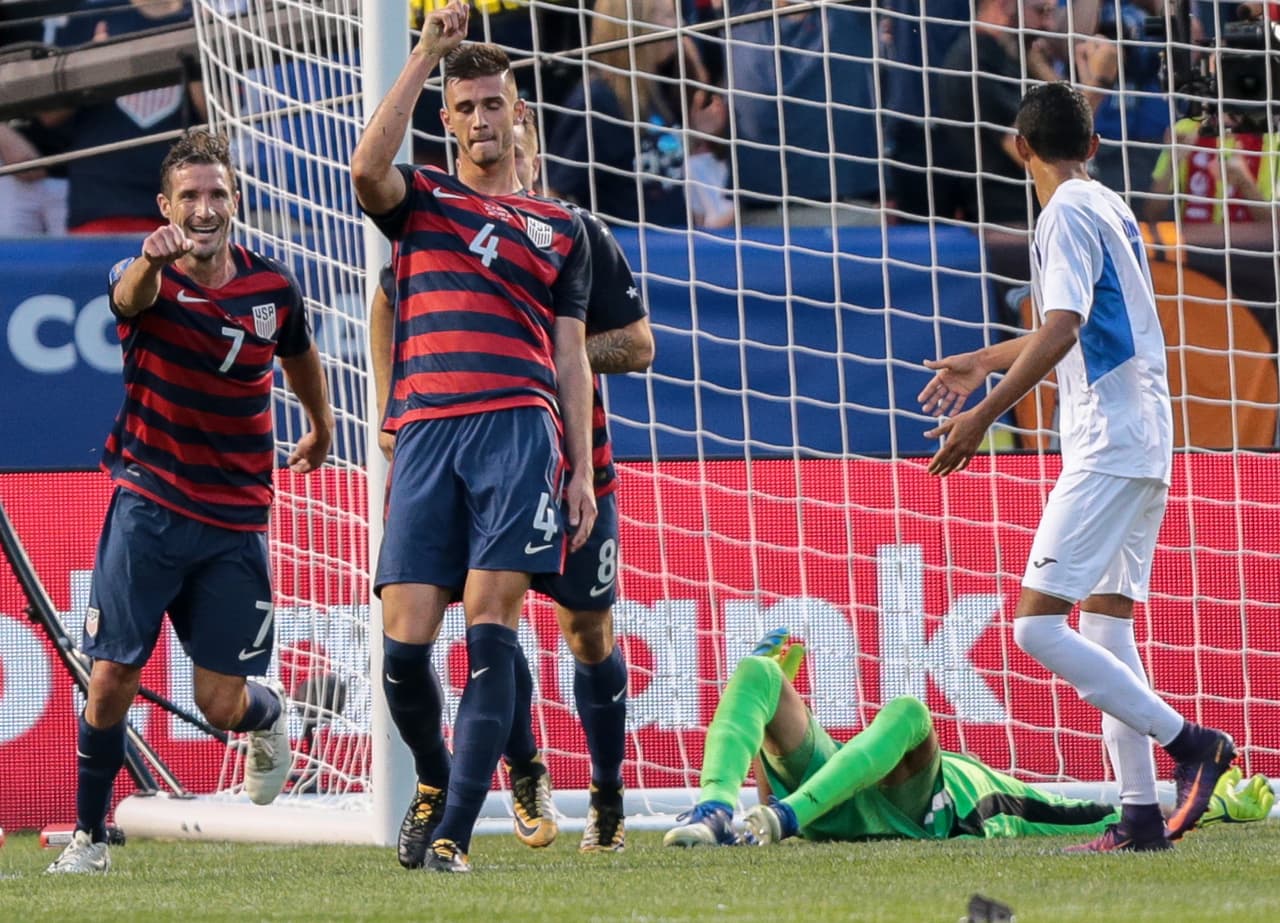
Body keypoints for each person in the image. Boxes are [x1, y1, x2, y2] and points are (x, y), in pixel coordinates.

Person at [918, 82, 1236, 852]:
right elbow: (1083, 322)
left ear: (1019, 148)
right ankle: (1138, 815)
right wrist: (981, 360)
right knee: (1103, 625)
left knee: (1034, 625)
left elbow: (1060, 327)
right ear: (1091, 147)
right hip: (1145, 434)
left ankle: (1191, 743)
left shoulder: (1061, 213)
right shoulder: (1108, 202)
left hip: (1106, 440)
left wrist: (982, 412)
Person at [45, 128, 334, 874]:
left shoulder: (271, 288)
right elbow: (126, 296)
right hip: (149, 505)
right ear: (166, 206)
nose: (205, 209)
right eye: (190, 197)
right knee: (111, 676)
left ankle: (274, 716)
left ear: (235, 200)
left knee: (222, 705)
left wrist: (322, 425)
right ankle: (88, 836)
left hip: (236, 520)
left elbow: (300, 353)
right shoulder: (146, 274)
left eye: (217, 194)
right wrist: (150, 257)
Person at [351, 0, 597, 874]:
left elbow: (573, 356)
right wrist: (423, 56)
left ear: (517, 112)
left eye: (496, 103)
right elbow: (364, 167)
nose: (484, 119)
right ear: (447, 119)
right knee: (403, 649)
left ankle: (453, 830)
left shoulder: (562, 228)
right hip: (426, 434)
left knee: (491, 628)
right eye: (468, 107)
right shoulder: (420, 197)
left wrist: (580, 471)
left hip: (520, 432)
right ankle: (446, 776)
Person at [368, 109, 654, 854]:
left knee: (588, 629)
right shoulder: (437, 220)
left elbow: (640, 342)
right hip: (476, 443)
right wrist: (388, 405)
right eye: (473, 122)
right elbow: (386, 301)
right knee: (492, 613)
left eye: (518, 143)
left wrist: (530, 328)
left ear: (528, 142)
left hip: (574, 452)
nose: (506, 154)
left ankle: (608, 788)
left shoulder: (572, 232)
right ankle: (524, 764)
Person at [663, 630, 1273, 847]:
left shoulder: (988, 794)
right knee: (757, 673)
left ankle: (774, 818)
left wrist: (1216, 805)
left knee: (903, 711)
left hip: (901, 813)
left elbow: (1085, 815)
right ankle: (715, 807)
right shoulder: (974, 775)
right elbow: (1095, 812)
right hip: (815, 808)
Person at [544, 0, 729, 229]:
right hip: (630, 253)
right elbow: (557, 192)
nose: (678, 25)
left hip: (677, 249)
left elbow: (652, 164)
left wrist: (694, 136)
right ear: (632, 25)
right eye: (665, 17)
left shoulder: (656, 90)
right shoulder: (596, 102)